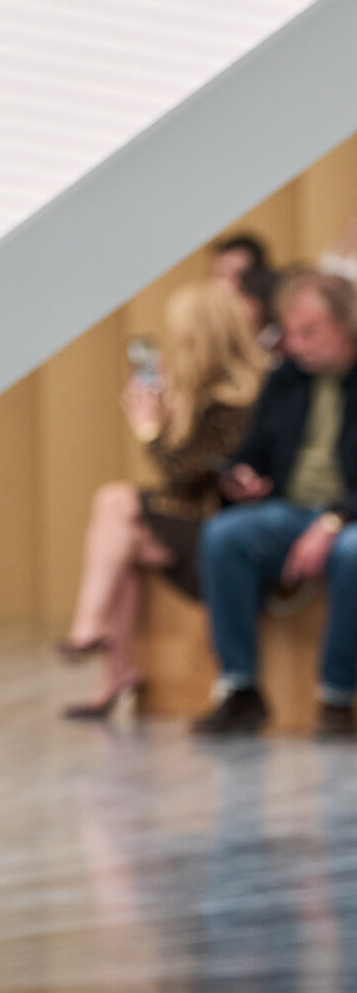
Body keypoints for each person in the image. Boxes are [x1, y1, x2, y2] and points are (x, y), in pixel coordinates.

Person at [59, 282, 265, 716]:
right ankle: (113, 671)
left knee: (115, 502)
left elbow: (186, 475)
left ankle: (89, 629)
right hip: (193, 521)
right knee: (122, 539)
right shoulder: (199, 394)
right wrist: (168, 412)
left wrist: (150, 428)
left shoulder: (241, 400)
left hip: (222, 530)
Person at [194, 267, 357, 736]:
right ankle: (240, 689)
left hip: (346, 515)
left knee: (352, 553)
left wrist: (331, 522)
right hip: (291, 509)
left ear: (346, 324)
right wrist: (242, 478)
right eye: (292, 331)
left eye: (311, 331)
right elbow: (252, 451)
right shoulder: (286, 378)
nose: (297, 343)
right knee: (225, 535)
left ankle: (337, 697)